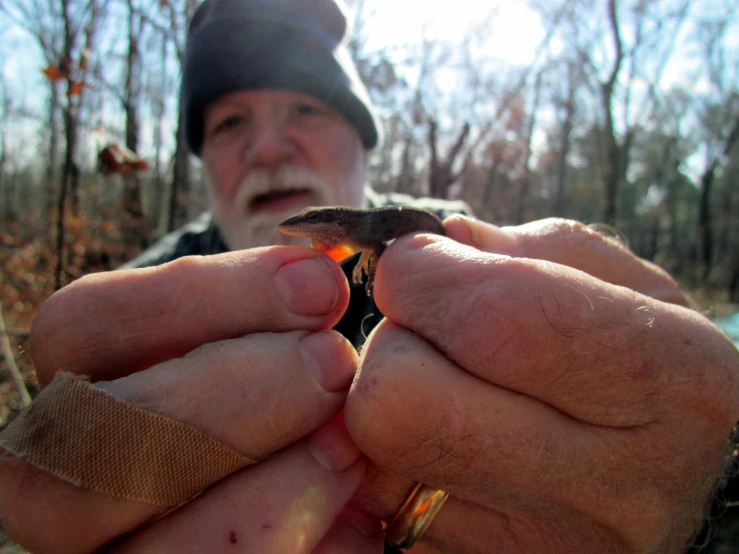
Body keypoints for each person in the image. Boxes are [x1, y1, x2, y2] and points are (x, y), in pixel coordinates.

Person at [1, 0, 738, 552]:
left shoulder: (478, 255)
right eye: (228, 122)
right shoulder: (129, 316)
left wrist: (704, 494)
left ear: (361, 139)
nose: (266, 145)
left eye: (303, 106)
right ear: (202, 163)